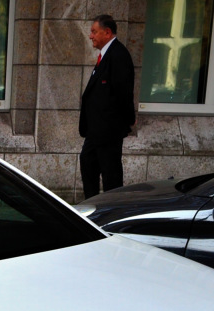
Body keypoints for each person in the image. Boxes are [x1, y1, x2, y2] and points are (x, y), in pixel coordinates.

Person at [79, 14, 135, 198]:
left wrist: (124, 124)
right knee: (88, 164)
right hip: (96, 131)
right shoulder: (106, 55)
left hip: (108, 132)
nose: (91, 36)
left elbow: (123, 94)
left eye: (94, 32)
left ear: (107, 32)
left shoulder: (118, 55)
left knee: (111, 178)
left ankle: (112, 213)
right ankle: (91, 210)